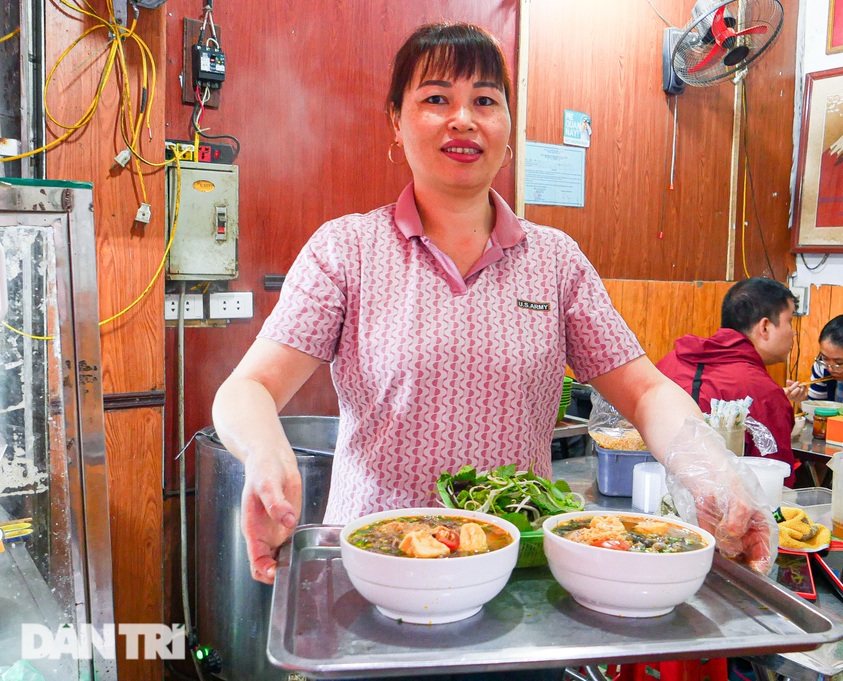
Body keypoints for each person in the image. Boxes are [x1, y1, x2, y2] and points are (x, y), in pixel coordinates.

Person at [212, 23, 774, 601]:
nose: (463, 119)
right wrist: (265, 451)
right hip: (380, 575)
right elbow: (248, 389)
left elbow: (646, 392)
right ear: (395, 122)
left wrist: (715, 472)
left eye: (485, 100)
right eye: (436, 99)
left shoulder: (556, 260)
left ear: (507, 128)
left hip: (518, 579)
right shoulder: (346, 250)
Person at [656, 277, 804, 486]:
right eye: (789, 321)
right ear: (765, 327)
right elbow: (776, 482)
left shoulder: (668, 362)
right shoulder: (764, 393)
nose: (793, 332)